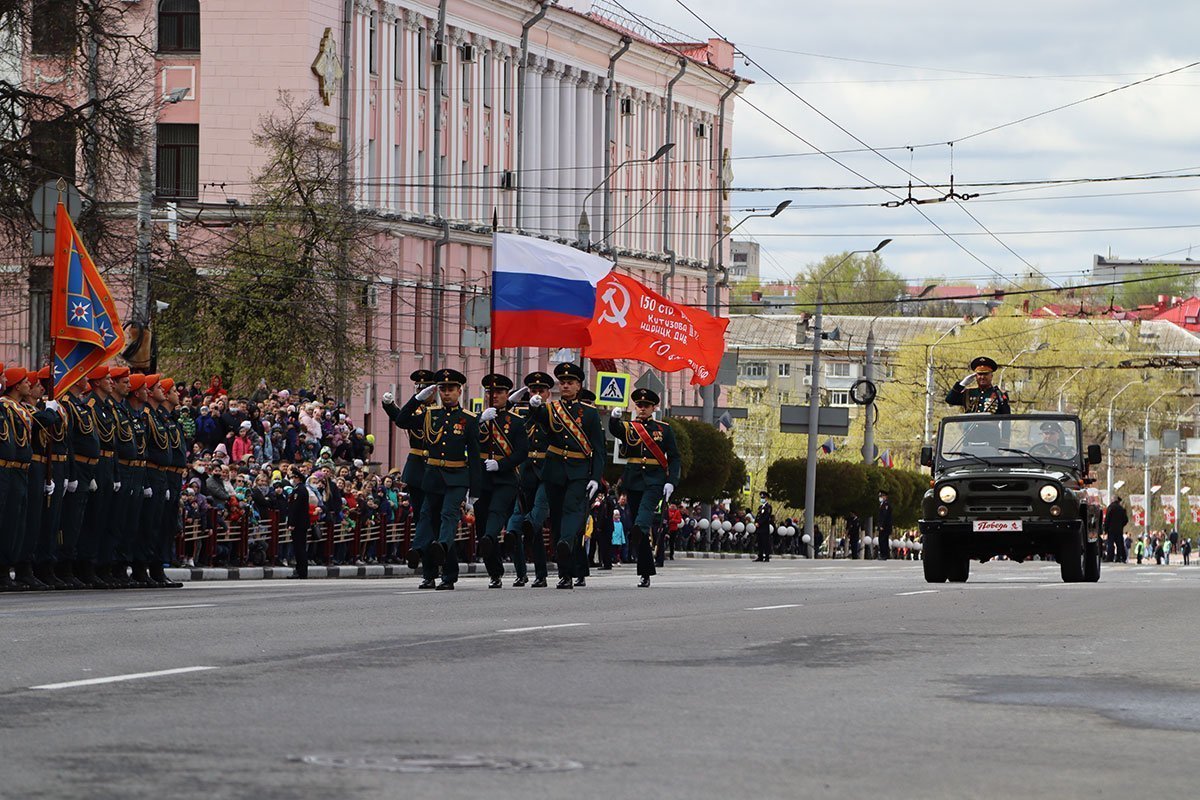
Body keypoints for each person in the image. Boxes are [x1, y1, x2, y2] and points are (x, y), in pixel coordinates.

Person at [390, 368, 481, 590]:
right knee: (427, 517)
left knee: (448, 515)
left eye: (450, 389)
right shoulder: (431, 415)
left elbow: (476, 456)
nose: (446, 393)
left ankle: (445, 564)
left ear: (459, 391)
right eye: (443, 389)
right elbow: (402, 421)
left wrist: (475, 492)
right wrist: (416, 399)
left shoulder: (468, 419)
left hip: (457, 476)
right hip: (432, 477)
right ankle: (422, 556)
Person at [526, 362, 605, 589]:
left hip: (579, 471)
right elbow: (540, 420)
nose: (566, 386)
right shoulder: (551, 409)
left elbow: (598, 450)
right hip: (554, 470)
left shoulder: (589, 413)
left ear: (579, 386)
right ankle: (565, 574)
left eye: (570, 382)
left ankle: (565, 544)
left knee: (572, 512)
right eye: (563, 382)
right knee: (558, 517)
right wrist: (534, 407)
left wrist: (595, 477)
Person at [609, 387, 680, 588]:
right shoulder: (629, 427)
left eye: (646, 406)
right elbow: (615, 431)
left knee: (643, 520)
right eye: (639, 405)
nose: (642, 408)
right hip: (633, 480)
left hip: (654, 481)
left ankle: (639, 533)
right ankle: (645, 572)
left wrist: (671, 481)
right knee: (638, 527)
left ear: (653, 407)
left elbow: (674, 457)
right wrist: (614, 420)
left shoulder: (663, 429)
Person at [474, 373, 528, 589]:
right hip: (482, 479)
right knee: (481, 527)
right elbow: (466, 443)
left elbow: (522, 452)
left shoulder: (515, 422)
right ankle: (495, 572)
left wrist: (501, 464)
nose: (493, 395)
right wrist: (478, 422)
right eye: (490, 392)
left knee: (496, 517)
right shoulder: (477, 419)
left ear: (507, 395)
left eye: (498, 392)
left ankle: (517, 569)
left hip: (505, 479)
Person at [380, 369, 435, 571]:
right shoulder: (415, 411)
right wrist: (388, 406)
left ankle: (433, 557)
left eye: (425, 388)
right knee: (421, 516)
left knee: (434, 516)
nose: (422, 392)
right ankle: (426, 563)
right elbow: (401, 418)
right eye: (418, 388)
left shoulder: (438, 411)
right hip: (417, 468)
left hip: (436, 467)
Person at [505, 371, 554, 587]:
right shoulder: (520, 413)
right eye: (533, 390)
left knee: (532, 523)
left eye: (541, 390)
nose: (536, 394)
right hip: (523, 474)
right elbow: (502, 421)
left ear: (548, 393)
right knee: (515, 527)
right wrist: (510, 402)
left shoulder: (555, 413)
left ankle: (541, 574)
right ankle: (521, 573)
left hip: (546, 474)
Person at [945, 357, 1011, 414]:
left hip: (990, 429)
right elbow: (950, 400)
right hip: (970, 429)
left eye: (986, 374)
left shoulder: (999, 394)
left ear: (991, 376)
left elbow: (1006, 417)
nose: (982, 377)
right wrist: (961, 384)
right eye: (979, 374)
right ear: (975, 376)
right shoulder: (968, 393)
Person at [286, 468, 311, 578]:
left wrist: (291, 523)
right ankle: (301, 570)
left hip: (299, 524)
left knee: (299, 548)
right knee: (299, 547)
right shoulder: (300, 489)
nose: (292, 480)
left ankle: (301, 571)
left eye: (294, 477)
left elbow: (295, 509)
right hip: (301, 523)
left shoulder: (299, 490)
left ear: (298, 478)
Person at [1104, 496, 1129, 563]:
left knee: (1110, 544)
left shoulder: (1110, 508)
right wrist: (1121, 525)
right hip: (1119, 530)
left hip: (1111, 529)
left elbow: (1107, 519)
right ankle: (1119, 557)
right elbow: (1126, 520)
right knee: (1119, 544)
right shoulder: (1121, 509)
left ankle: (1110, 558)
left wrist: (1105, 529)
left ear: (1113, 500)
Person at [754, 492, 773, 562]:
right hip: (759, 528)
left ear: (767, 498)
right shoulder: (760, 507)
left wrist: (759, 523)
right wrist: (755, 522)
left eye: (763, 498)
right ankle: (760, 556)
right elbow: (758, 516)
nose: (762, 499)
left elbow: (766, 517)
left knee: (765, 542)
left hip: (764, 528)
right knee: (760, 542)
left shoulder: (768, 507)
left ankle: (767, 556)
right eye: (761, 498)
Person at [876, 490, 893, 560]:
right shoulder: (883, 504)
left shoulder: (886, 505)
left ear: (885, 497)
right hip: (884, 526)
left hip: (885, 527)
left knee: (882, 540)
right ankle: (885, 554)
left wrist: (881, 525)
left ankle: (884, 555)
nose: (880, 497)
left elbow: (884, 516)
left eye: (882, 496)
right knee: (883, 540)